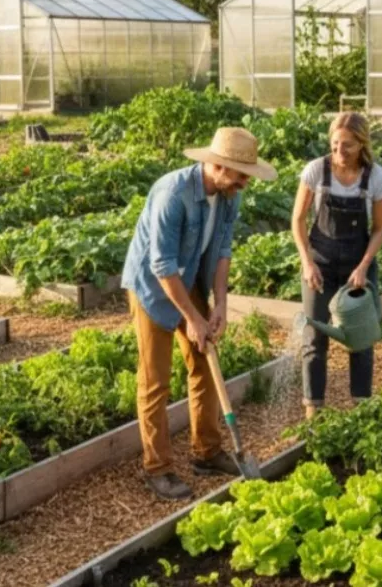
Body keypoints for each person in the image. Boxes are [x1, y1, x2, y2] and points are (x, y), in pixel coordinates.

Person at [122, 127, 277, 500]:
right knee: (156, 379)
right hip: (153, 285)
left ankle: (206, 451)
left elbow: (222, 251)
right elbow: (161, 266)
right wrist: (192, 317)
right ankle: (157, 467)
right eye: (241, 175)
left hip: (189, 277)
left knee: (205, 363)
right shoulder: (173, 194)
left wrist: (219, 303)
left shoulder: (228, 197)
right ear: (219, 167)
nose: (244, 182)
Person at [291, 112, 382, 420]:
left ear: (362, 144)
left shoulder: (375, 177)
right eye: (334, 144)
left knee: (360, 339)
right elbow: (297, 220)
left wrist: (363, 267)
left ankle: (361, 410)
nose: (339, 152)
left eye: (347, 146)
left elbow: (378, 229)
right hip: (319, 265)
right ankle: (313, 413)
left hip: (356, 269)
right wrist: (307, 263)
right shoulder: (315, 172)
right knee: (314, 339)